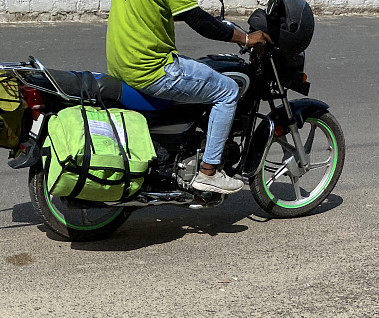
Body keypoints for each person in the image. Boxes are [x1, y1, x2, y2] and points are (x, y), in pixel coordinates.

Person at [106, 0, 272, 194]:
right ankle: (209, 173)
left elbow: (168, 11)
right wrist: (245, 38)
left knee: (200, 73)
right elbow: (198, 20)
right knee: (228, 90)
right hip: (151, 69)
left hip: (123, 65)